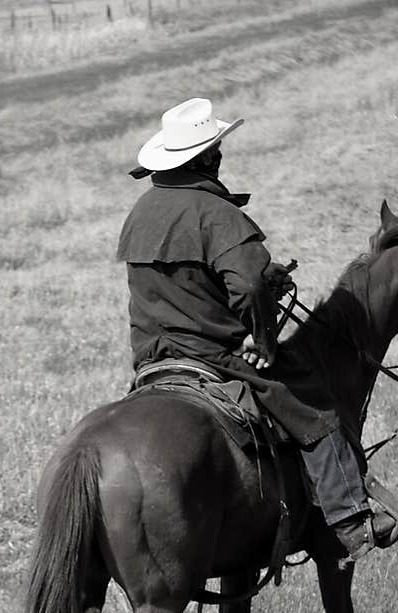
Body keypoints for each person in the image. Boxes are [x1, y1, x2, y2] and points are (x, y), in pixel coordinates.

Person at [116, 96, 398, 563]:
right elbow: (245, 286)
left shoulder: (141, 213)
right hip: (214, 354)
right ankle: (352, 520)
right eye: (216, 148)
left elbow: (188, 283)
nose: (221, 154)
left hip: (153, 356)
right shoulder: (217, 214)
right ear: (205, 156)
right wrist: (263, 340)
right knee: (316, 406)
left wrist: (264, 281)